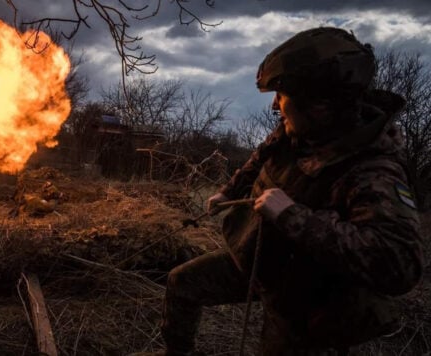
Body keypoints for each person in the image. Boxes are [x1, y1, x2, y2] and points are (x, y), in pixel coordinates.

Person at [136, 27, 424, 355]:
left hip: (308, 303)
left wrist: (293, 216)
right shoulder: (299, 131)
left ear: (319, 106)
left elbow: (400, 267)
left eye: (282, 96)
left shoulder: (373, 172)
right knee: (182, 282)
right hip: (263, 260)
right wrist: (229, 192)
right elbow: (261, 157)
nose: (275, 105)